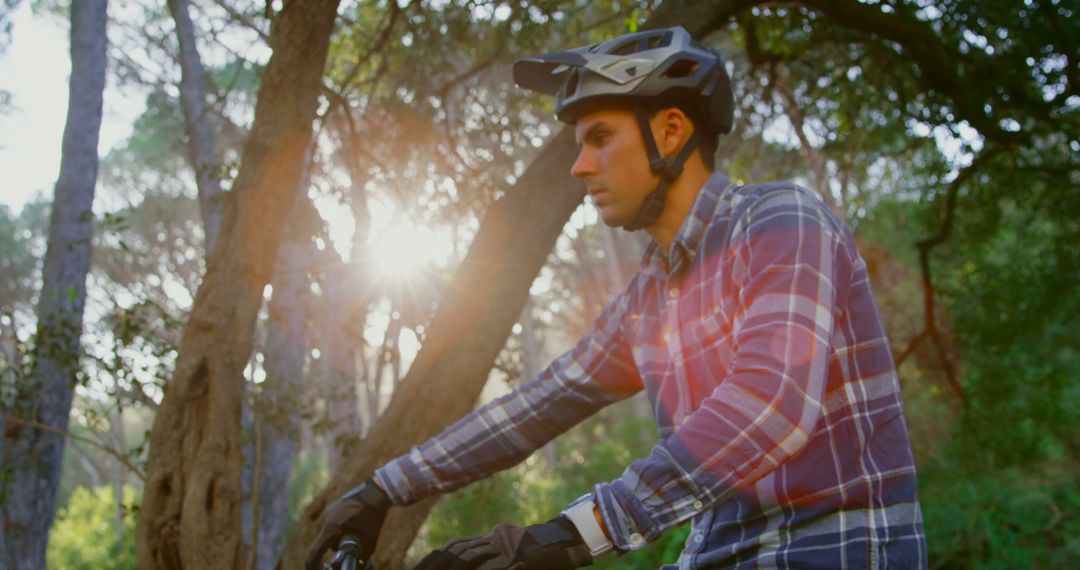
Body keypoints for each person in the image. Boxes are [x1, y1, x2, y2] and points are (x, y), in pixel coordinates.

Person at [307, 26, 926, 569]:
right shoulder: (649, 297)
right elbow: (537, 404)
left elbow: (771, 405)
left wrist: (575, 534)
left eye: (599, 137)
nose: (580, 165)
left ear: (671, 129)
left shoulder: (780, 221)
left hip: (831, 548)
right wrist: (384, 488)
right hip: (713, 554)